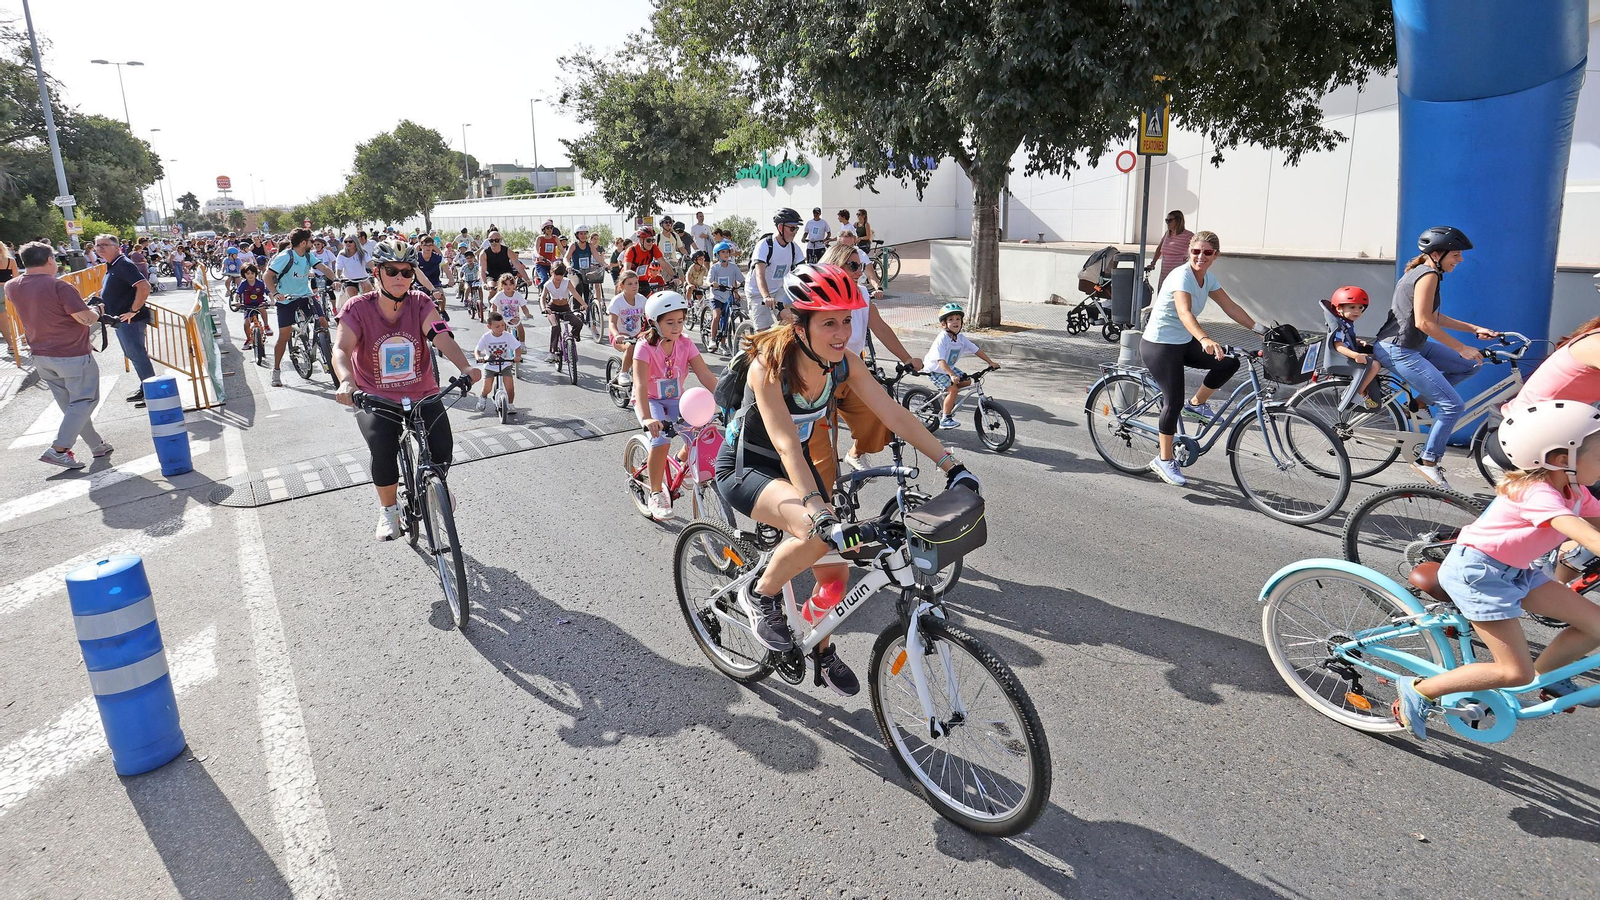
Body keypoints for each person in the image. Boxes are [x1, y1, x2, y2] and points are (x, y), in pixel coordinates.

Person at [714, 263, 981, 696]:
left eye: (846, 321)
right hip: (749, 468)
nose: (841, 333)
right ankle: (760, 595)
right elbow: (784, 443)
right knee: (816, 532)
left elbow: (894, 415)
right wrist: (817, 510)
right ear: (799, 325)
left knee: (835, 575)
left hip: (792, 472)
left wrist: (952, 465)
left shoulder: (843, 363)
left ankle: (820, 647)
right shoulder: (769, 366)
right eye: (828, 323)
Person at [1394, 401, 1600, 739]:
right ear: (1562, 460)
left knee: (1596, 626)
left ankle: (1547, 675)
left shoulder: (1573, 488)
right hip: (1478, 574)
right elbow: (1586, 534)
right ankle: (1419, 690)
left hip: (1517, 571)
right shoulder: (1535, 492)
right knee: (1513, 671)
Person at [333, 241, 480, 541]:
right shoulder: (358, 307)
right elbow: (341, 349)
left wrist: (466, 367)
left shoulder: (419, 303)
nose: (400, 277)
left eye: (407, 272)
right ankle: (388, 509)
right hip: (375, 396)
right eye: (392, 271)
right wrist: (347, 382)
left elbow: (441, 336)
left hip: (421, 391)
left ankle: (435, 484)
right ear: (377, 273)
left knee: (442, 448)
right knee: (383, 449)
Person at [1373, 226, 1502, 487]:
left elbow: (1434, 318)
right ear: (1438, 254)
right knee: (1453, 405)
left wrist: (1474, 328)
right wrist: (1460, 347)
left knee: (1470, 365)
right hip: (1398, 349)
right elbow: (1424, 323)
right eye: (1456, 254)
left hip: (1413, 347)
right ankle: (1428, 461)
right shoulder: (1428, 274)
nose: (1460, 259)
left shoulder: (1424, 272)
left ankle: (1420, 402)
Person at [1138, 230, 1266, 487]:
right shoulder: (1181, 276)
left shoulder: (1207, 278)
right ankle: (1163, 460)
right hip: (1159, 345)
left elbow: (1230, 307)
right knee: (1172, 402)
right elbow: (1185, 313)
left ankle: (1196, 404)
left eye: (1207, 252)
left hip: (1182, 343)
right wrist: (1205, 339)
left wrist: (1262, 329)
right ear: (1189, 252)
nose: (1201, 256)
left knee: (1229, 361)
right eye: (1196, 251)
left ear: (1215, 256)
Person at [816, 241, 924, 469]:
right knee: (824, 448)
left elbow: (881, 328)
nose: (859, 272)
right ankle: (826, 494)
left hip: (850, 371)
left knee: (877, 418)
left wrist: (906, 358)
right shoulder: (820, 296)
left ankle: (855, 454)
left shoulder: (863, 295)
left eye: (861, 265)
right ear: (834, 266)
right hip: (819, 376)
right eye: (853, 265)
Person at [6, 241, 112, 468]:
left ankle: (96, 445)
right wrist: (96, 310)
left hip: (40, 354)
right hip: (71, 353)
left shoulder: (12, 286)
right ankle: (59, 449)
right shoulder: (60, 286)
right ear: (50, 260)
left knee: (72, 406)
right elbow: (84, 318)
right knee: (84, 401)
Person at [632, 290, 719, 519]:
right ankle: (656, 493)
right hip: (651, 401)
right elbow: (640, 385)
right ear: (654, 322)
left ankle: (681, 461)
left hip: (676, 399)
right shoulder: (644, 347)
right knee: (661, 441)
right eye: (669, 322)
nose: (676, 327)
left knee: (703, 430)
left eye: (680, 321)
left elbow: (705, 375)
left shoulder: (686, 344)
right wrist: (647, 418)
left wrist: (729, 398)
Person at [264, 228, 341, 387]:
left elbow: (324, 269)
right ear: (303, 242)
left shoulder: (308, 255)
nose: (314, 244)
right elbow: (267, 276)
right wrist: (276, 293)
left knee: (323, 322)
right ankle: (276, 370)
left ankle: (326, 349)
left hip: (305, 296)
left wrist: (335, 279)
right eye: (312, 241)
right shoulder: (285, 257)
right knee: (284, 337)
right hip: (287, 300)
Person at [92, 233, 156, 404]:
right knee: (134, 354)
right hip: (122, 321)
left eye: (104, 245)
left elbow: (144, 287)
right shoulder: (113, 264)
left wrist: (133, 311)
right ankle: (146, 388)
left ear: (116, 247)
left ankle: (152, 392)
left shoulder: (123, 264)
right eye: (97, 245)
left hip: (130, 320)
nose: (99, 248)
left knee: (137, 354)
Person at [923, 303, 999, 429]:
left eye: (958, 319)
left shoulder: (961, 338)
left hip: (948, 369)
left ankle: (947, 396)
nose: (955, 322)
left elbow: (976, 350)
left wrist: (990, 362)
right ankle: (945, 419)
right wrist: (951, 375)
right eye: (951, 319)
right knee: (953, 389)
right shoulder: (942, 338)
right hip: (935, 369)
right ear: (944, 324)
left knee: (967, 381)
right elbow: (940, 360)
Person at [749, 208, 805, 329]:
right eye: (792, 228)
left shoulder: (794, 248)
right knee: (763, 333)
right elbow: (760, 275)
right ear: (780, 228)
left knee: (792, 320)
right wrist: (766, 296)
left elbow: (804, 272)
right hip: (758, 292)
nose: (795, 232)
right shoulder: (765, 245)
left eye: (796, 228)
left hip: (778, 290)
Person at [1327, 285, 1382, 408]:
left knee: (1379, 356)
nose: (1357, 311)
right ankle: (1356, 392)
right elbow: (1338, 345)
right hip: (1343, 358)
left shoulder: (1346, 323)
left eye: (1360, 307)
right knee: (1375, 364)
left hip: (1347, 356)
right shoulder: (1340, 325)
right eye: (1352, 307)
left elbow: (1344, 339)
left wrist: (1356, 341)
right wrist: (1355, 355)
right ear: (1339, 308)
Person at [474, 312, 523, 414]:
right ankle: (483, 398)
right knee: (487, 387)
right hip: (490, 366)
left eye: (502, 325)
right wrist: (479, 357)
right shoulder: (486, 337)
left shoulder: (508, 336)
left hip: (505, 364)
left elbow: (517, 347)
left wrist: (517, 356)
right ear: (489, 326)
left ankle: (510, 404)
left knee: (510, 387)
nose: (501, 328)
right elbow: (477, 350)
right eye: (497, 326)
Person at [540, 262, 586, 363]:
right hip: (552, 308)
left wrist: (584, 304)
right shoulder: (548, 284)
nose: (559, 277)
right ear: (551, 272)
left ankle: (571, 339)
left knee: (578, 323)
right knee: (555, 327)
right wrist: (544, 308)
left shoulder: (567, 282)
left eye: (561, 274)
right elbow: (542, 298)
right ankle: (552, 352)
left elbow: (575, 294)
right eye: (556, 274)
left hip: (565, 308)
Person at [608, 272, 647, 385]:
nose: (634, 286)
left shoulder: (641, 300)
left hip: (636, 334)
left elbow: (651, 317)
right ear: (622, 286)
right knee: (630, 346)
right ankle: (623, 373)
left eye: (636, 283)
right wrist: (617, 335)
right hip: (620, 335)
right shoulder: (617, 301)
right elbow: (611, 323)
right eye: (630, 284)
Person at [706, 241, 743, 349]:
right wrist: (712, 284)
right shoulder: (714, 267)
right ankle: (712, 340)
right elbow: (708, 281)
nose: (726, 254)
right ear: (717, 254)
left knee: (726, 320)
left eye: (727, 252)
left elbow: (741, 279)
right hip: (716, 297)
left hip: (728, 297)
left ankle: (723, 344)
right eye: (723, 252)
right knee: (716, 316)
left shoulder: (733, 267)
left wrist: (745, 285)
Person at [1146, 210, 1194, 287]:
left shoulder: (1188, 235)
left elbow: (1195, 251)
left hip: (1179, 273)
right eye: (1166, 220)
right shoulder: (1167, 234)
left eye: (1170, 220)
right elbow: (1159, 249)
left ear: (1178, 221)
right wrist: (1153, 263)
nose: (1167, 223)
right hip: (1165, 272)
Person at [623, 227, 675, 296]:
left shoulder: (653, 248)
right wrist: (630, 284)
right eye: (648, 240)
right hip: (628, 278)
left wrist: (674, 277)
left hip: (642, 279)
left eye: (652, 240)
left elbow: (663, 263)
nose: (651, 243)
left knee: (647, 301)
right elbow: (627, 270)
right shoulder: (631, 250)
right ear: (641, 240)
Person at [478, 230, 530, 295]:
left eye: (496, 240)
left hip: (506, 275)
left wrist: (527, 279)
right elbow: (482, 269)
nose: (494, 243)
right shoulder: (484, 253)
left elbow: (518, 266)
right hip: (491, 275)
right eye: (491, 241)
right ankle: (492, 304)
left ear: (500, 240)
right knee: (492, 291)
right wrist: (484, 283)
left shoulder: (508, 251)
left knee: (511, 292)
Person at [235, 264, 271, 350]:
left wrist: (272, 300)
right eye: (247, 273)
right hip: (248, 306)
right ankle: (248, 339)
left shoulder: (260, 283)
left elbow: (268, 292)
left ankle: (266, 326)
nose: (250, 275)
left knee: (263, 309)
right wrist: (235, 301)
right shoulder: (244, 284)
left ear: (256, 273)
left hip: (259, 304)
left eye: (252, 273)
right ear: (244, 275)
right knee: (246, 324)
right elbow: (237, 294)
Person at [489, 273, 528, 344]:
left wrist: (527, 314)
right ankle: (504, 343)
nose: (508, 286)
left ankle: (522, 344)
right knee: (503, 330)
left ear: (514, 285)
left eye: (510, 284)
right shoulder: (500, 295)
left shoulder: (517, 295)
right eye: (505, 284)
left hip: (514, 317)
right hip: (502, 318)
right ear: (501, 285)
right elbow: (493, 306)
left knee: (520, 327)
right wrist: (493, 315)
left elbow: (524, 307)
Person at [335, 235, 372, 302]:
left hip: (363, 279)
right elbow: (339, 269)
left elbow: (370, 263)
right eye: (346, 242)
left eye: (350, 241)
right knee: (352, 300)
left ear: (355, 242)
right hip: (349, 280)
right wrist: (338, 278)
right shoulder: (342, 254)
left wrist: (375, 270)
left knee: (369, 298)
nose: (348, 243)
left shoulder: (363, 252)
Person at [534, 221, 561, 285]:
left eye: (551, 228)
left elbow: (562, 249)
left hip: (551, 264)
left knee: (556, 278)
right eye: (548, 228)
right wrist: (538, 256)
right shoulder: (540, 238)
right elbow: (535, 250)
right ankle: (541, 289)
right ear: (544, 230)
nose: (550, 229)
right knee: (544, 279)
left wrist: (567, 256)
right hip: (541, 264)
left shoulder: (555, 238)